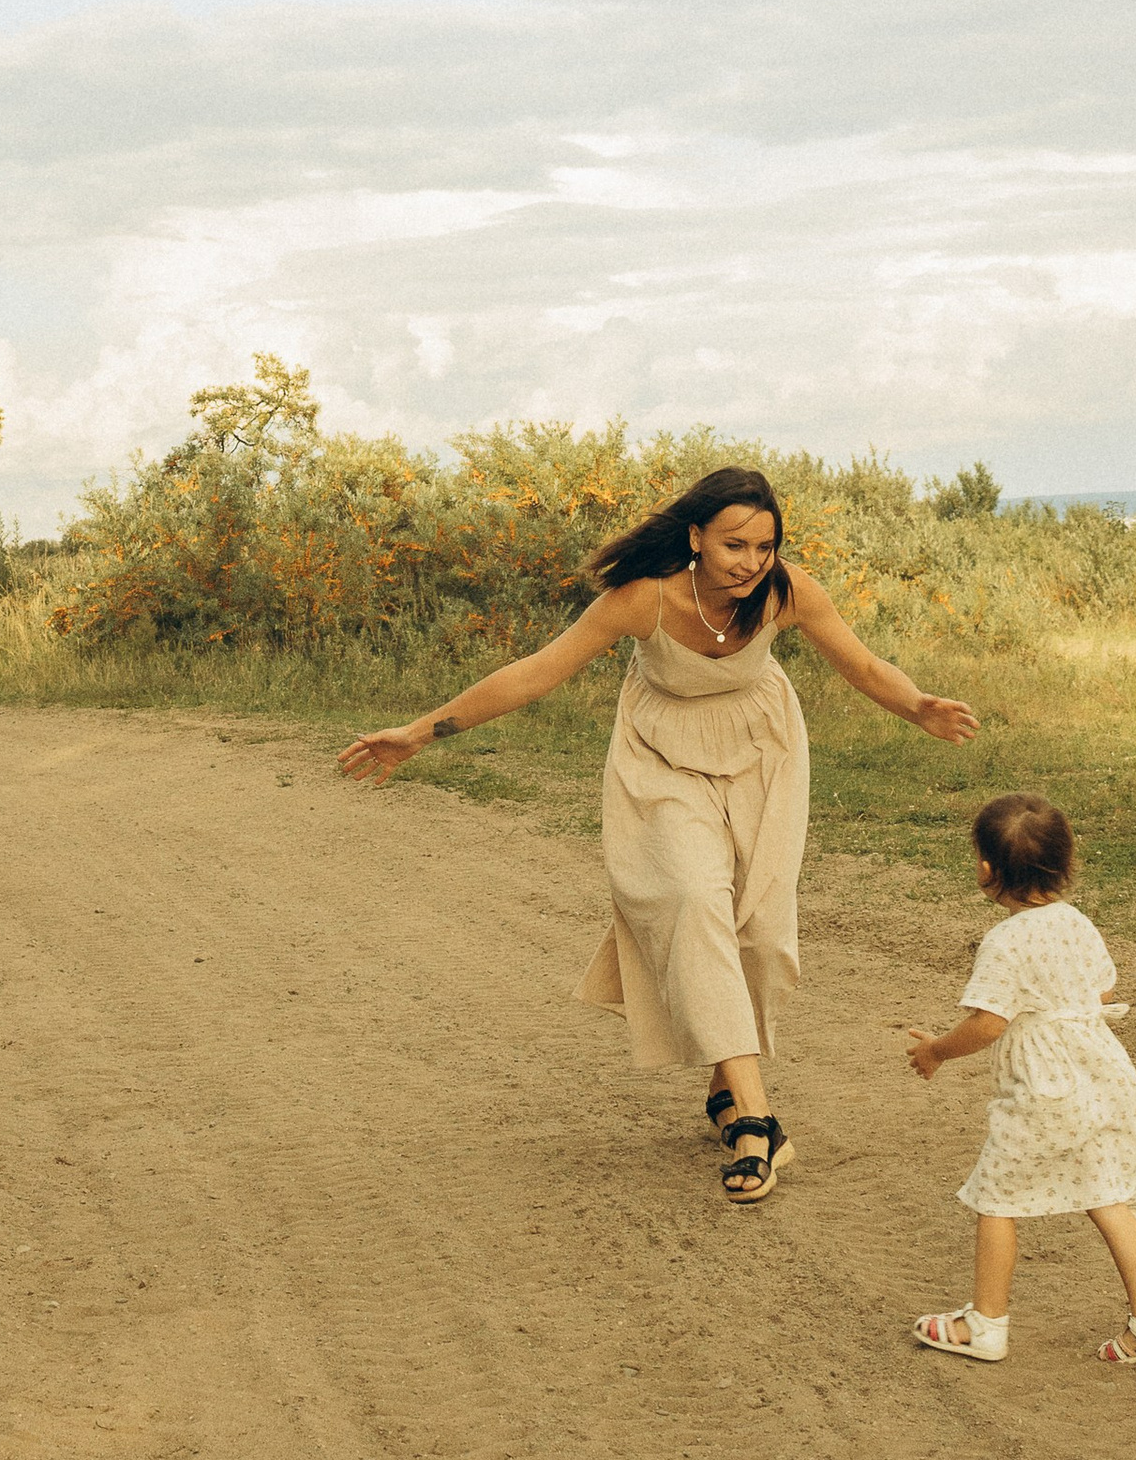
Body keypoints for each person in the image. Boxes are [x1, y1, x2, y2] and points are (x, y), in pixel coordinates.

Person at [340, 465, 978, 1204]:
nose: (750, 562)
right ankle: (757, 1120)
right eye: (735, 545)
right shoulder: (641, 598)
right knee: (689, 901)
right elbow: (536, 674)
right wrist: (420, 733)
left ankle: (722, 1083)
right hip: (662, 756)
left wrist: (918, 705)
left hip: (762, 749)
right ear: (696, 537)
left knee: (762, 935)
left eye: (765, 546)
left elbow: (862, 663)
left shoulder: (786, 592)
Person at [905, 791, 1136, 1365]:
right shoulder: (1078, 924)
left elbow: (987, 1023)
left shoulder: (1005, 941)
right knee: (1107, 1194)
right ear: (1065, 862)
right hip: (1098, 1074)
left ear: (986, 870)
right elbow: (1102, 991)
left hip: (1043, 1091)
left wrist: (935, 1050)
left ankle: (985, 1325)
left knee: (997, 1197)